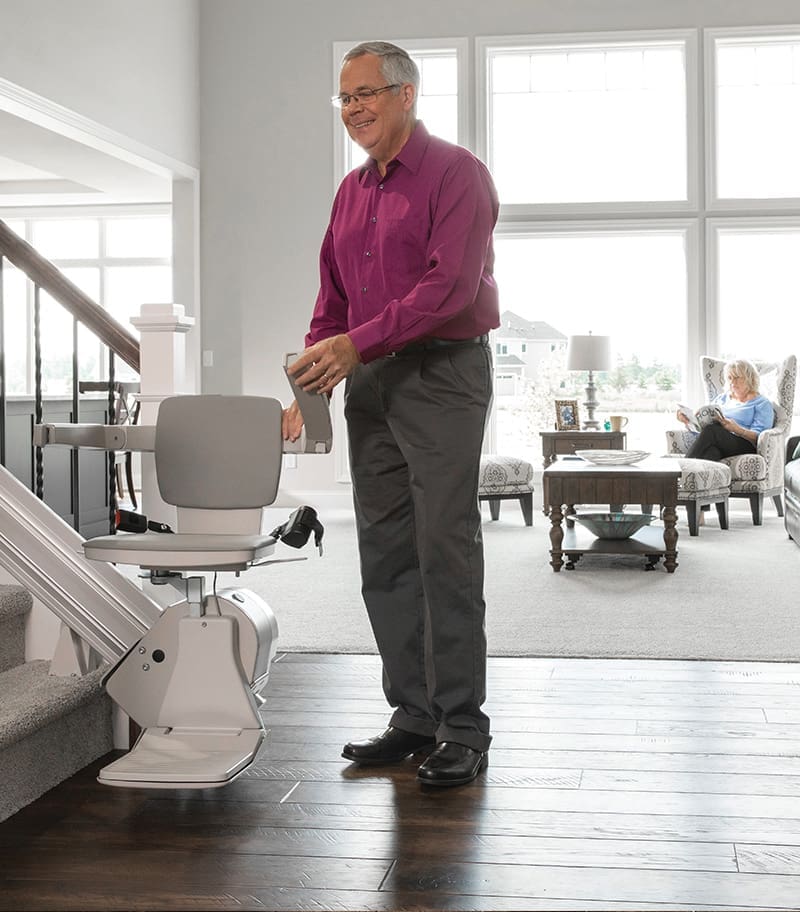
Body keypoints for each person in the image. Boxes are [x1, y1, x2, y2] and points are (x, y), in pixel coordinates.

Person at [282, 41, 499, 788]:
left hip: (442, 374)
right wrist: (307, 389)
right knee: (385, 554)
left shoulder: (457, 174)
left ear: (407, 94)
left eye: (367, 93)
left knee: (444, 547)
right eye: (344, 99)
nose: (354, 109)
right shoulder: (350, 192)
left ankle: (463, 726)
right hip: (370, 382)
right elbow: (331, 302)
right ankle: (411, 716)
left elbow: (451, 289)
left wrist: (352, 346)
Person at [677, 358, 774, 462]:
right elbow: (703, 431)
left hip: (745, 444)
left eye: (737, 377)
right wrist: (689, 421)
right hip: (720, 441)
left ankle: (680, 469)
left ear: (749, 378)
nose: (732, 382)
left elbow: (760, 437)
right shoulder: (722, 398)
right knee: (711, 453)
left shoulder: (762, 403)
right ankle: (698, 477)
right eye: (730, 377)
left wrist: (736, 429)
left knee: (711, 430)